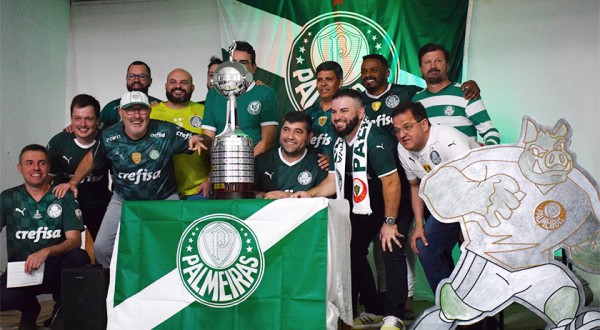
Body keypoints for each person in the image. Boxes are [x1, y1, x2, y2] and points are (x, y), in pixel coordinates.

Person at [293, 89, 409, 330]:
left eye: (344, 111)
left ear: (361, 112)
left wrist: (389, 222)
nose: (337, 117)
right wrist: (310, 193)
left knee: (391, 247)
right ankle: (374, 308)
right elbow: (333, 181)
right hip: (363, 203)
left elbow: (391, 182)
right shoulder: (339, 140)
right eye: (334, 112)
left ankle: (395, 314)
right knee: (351, 250)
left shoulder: (375, 138)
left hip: (393, 200)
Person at [54, 91, 209, 268]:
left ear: (149, 111)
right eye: (130, 110)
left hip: (163, 197)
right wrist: (73, 182)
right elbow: (92, 157)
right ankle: (114, 290)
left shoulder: (166, 130)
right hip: (123, 199)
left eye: (141, 110)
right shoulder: (109, 136)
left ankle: (171, 288)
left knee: (180, 244)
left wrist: (200, 138)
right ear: (120, 113)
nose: (136, 116)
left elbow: (201, 140)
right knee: (102, 248)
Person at [391, 102, 478, 294]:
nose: (402, 135)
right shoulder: (402, 149)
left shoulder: (446, 138)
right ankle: (451, 303)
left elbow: (473, 181)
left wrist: (467, 225)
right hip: (446, 204)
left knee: (473, 251)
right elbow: (415, 186)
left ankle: (480, 310)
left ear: (423, 125)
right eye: (397, 130)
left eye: (407, 127)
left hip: (479, 202)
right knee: (425, 245)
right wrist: (419, 225)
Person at [1, 144, 90, 330]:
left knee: (79, 257)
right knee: (3, 296)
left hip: (53, 268)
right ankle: (31, 310)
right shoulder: (8, 198)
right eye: (29, 163)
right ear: (20, 168)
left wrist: (46, 251)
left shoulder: (62, 196)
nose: (36, 168)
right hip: (23, 271)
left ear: (48, 167)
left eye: (42, 163)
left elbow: (74, 240)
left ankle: (61, 310)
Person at [47, 94, 111, 239]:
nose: (82, 124)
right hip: (65, 203)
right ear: (71, 119)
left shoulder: (107, 141)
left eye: (88, 119)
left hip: (99, 204)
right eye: (77, 118)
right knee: (62, 249)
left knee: (108, 249)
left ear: (98, 120)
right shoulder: (59, 142)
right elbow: (45, 181)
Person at [202, 41, 279, 156]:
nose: (237, 67)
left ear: (253, 68)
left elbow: (268, 141)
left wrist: (241, 164)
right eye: (233, 63)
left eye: (243, 63)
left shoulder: (265, 93)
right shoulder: (213, 94)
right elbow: (208, 138)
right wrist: (221, 165)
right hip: (223, 165)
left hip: (254, 166)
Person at [413, 43, 500, 145]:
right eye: (427, 62)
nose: (433, 66)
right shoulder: (416, 100)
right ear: (421, 69)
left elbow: (491, 132)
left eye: (438, 61)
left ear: (447, 66)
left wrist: (485, 152)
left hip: (464, 160)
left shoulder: (467, 93)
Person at [151, 68, 210, 199]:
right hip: (162, 193)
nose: (178, 86)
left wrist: (210, 179)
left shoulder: (205, 111)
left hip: (198, 190)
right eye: (173, 82)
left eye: (184, 82)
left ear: (193, 87)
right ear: (166, 86)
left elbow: (217, 147)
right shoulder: (152, 113)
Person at [254, 111, 328, 199]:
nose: (290, 136)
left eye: (298, 132)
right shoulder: (261, 161)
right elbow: (248, 194)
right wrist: (265, 196)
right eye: (286, 130)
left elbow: (323, 202)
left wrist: (288, 196)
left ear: (309, 136)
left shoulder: (320, 164)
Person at [98, 60, 162, 130]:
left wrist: (157, 114)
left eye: (142, 76)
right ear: (126, 79)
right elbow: (97, 133)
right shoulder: (111, 108)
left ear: (150, 81)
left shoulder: (160, 106)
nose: (136, 80)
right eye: (131, 76)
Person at [303, 61, 342, 161]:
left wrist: (335, 161)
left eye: (329, 79)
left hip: (340, 174)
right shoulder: (306, 114)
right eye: (319, 80)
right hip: (308, 172)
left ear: (340, 82)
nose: (323, 84)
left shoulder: (347, 114)